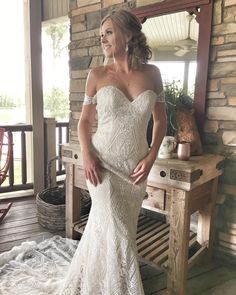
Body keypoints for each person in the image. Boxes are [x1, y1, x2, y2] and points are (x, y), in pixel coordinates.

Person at [60, 9, 167, 295]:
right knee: (117, 231)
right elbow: (83, 122)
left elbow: (161, 120)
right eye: (101, 35)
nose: (103, 39)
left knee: (118, 231)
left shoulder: (154, 75)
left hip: (134, 171)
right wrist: (87, 155)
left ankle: (93, 281)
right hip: (102, 164)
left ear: (129, 34)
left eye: (108, 32)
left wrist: (152, 154)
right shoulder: (97, 75)